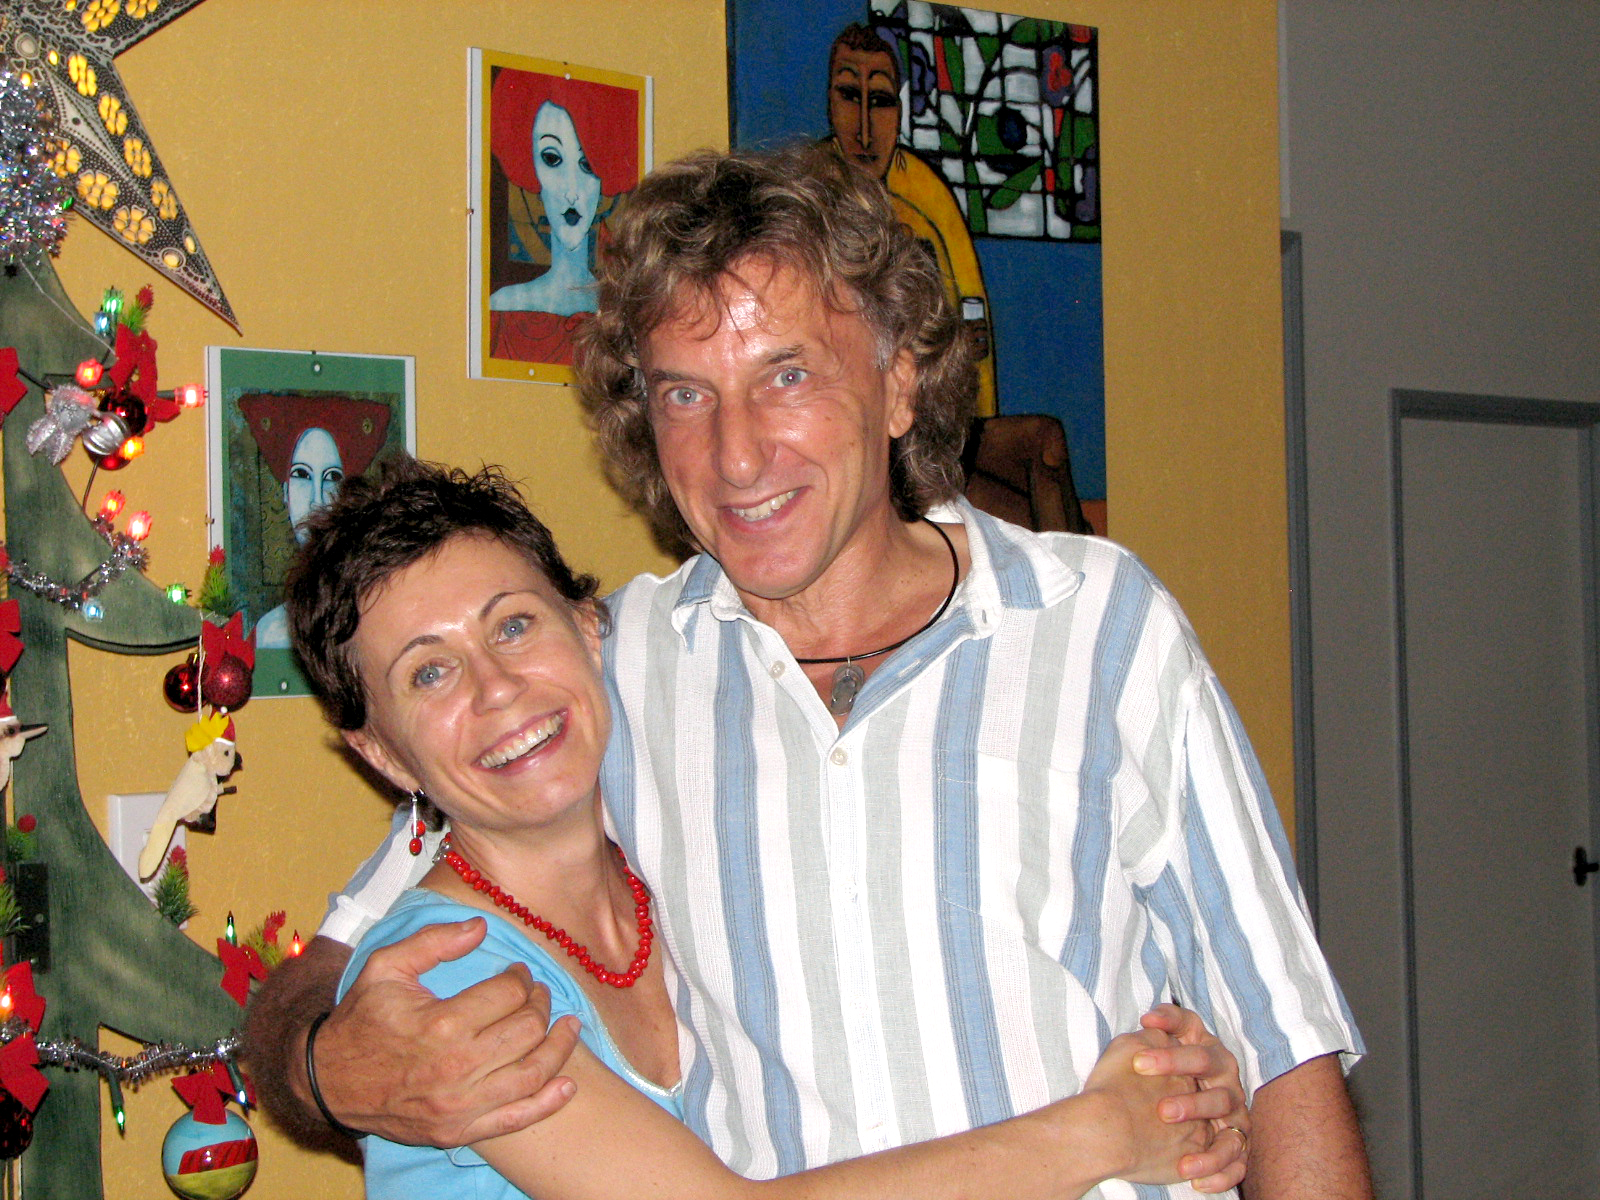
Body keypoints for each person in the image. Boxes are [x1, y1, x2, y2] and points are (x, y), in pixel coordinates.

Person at [247, 145, 1367, 1198]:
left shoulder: (1099, 625)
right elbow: (336, 972)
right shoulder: (603, 672)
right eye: (685, 394)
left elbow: (1284, 1045)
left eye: (785, 375)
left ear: (898, 382)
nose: (736, 454)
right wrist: (331, 1068)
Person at [281, 454, 1246, 1198]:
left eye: (513, 625)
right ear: (385, 753)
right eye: (429, 673)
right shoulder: (447, 979)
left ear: (589, 627)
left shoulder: (672, 865)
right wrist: (1105, 1130)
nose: (496, 687)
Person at [827, 23, 1000, 418]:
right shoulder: (809, 194)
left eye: (881, 101)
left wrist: (961, 347)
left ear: (900, 112)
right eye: (850, 96)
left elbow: (969, 309)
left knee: (1042, 440)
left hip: (930, 413)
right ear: (830, 104)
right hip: (849, 413)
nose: (865, 131)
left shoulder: (926, 196)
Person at [486, 70, 637, 366]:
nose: (571, 190)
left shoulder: (629, 314)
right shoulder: (502, 306)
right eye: (552, 159)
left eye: (587, 164)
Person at [236, 392, 391, 649]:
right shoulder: (268, 632)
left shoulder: (379, 620)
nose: (316, 500)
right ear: (285, 492)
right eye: (302, 474)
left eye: (331, 478)